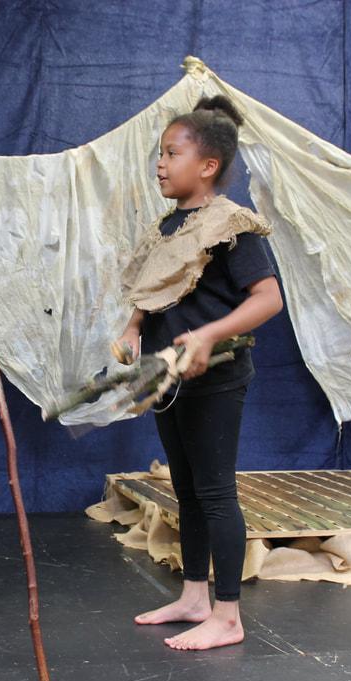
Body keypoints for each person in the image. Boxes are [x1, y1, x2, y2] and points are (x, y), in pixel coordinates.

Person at [117, 96, 284, 650]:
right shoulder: (168, 226)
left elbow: (268, 299)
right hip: (170, 380)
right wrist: (133, 330)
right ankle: (194, 596)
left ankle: (228, 616)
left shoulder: (230, 225)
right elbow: (152, 292)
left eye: (172, 153)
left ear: (208, 165)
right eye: (160, 153)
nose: (160, 164)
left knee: (215, 493)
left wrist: (209, 335)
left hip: (216, 377)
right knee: (185, 490)